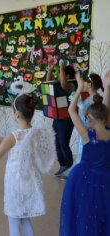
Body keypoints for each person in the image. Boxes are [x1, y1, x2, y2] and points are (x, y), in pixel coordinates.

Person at [0, 94, 56, 236]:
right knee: (24, 218)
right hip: (30, 182)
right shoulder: (35, 133)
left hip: (16, 184)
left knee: (13, 219)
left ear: (17, 114)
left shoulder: (14, 136)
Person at [59, 72, 110, 236]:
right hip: (106, 184)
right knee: (103, 216)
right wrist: (107, 87)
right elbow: (106, 108)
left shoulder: (87, 136)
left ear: (89, 119)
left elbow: (71, 110)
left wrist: (80, 87)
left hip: (84, 182)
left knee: (85, 215)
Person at [46, 59, 76, 176]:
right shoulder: (58, 84)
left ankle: (69, 168)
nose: (58, 76)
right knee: (57, 144)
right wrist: (50, 70)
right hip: (57, 119)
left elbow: (64, 85)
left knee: (64, 144)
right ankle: (63, 166)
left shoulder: (72, 85)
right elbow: (47, 84)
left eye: (61, 74)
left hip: (67, 121)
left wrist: (62, 69)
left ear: (67, 75)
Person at [73, 73, 103, 166]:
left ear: (90, 84)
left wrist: (79, 85)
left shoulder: (93, 100)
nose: (83, 84)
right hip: (85, 134)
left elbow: (80, 112)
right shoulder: (91, 99)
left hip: (88, 135)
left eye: (85, 82)